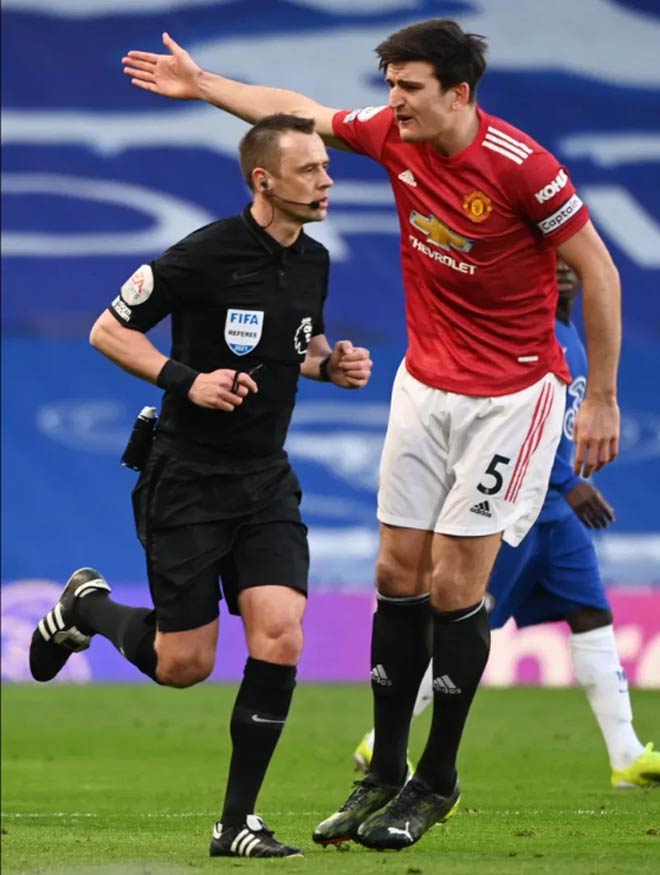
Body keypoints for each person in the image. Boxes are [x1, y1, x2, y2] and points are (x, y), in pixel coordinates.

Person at [122, 19, 622, 849]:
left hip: (510, 395)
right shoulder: (394, 135)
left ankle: (437, 778)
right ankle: (384, 771)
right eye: (389, 85)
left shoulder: (523, 168)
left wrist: (600, 395)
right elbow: (298, 110)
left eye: (409, 87)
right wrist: (203, 84)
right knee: (396, 571)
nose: (394, 101)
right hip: (425, 383)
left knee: (455, 584)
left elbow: (599, 271)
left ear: (459, 92)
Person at [28, 113, 372, 859]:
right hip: (187, 477)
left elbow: (297, 345)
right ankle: (85, 605)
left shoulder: (314, 260)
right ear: (264, 180)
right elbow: (108, 330)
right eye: (310, 169)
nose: (327, 180)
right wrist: (188, 380)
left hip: (266, 478)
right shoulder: (203, 253)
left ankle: (236, 823)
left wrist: (330, 365)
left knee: (281, 632)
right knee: (184, 665)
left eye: (325, 167)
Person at [353, 262, 660, 791]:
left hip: (557, 516)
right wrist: (568, 481)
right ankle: (382, 743)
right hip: (516, 506)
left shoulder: (572, 336)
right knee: (467, 620)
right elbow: (518, 424)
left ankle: (626, 755)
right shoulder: (528, 337)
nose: (564, 271)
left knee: (591, 613)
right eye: (552, 262)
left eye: (571, 263)